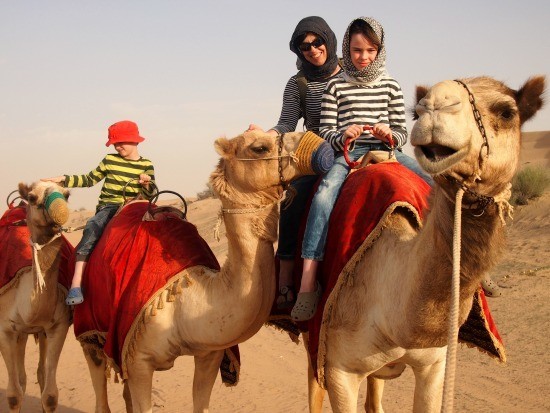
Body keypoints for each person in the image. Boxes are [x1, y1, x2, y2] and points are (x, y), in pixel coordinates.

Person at [291, 16, 429, 321]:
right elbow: (325, 129)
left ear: (379, 51)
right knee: (324, 195)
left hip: (387, 151)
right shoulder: (336, 87)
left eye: (369, 50)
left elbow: (402, 132)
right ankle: (307, 283)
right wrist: (344, 135)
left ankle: (457, 253)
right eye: (356, 50)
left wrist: (388, 135)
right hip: (349, 153)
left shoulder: (391, 85)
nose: (363, 57)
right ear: (346, 49)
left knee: (432, 184)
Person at [248, 16, 342, 310]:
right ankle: (286, 279)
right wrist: (265, 135)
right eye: (305, 46)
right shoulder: (298, 83)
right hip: (315, 151)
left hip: (357, 144)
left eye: (317, 42)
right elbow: (288, 122)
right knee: (293, 198)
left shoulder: (352, 72)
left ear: (328, 39)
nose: (313, 50)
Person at [42, 120, 155, 305]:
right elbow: (89, 179)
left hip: (136, 206)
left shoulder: (147, 165)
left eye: (121, 143)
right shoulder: (109, 160)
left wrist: (147, 184)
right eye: (115, 144)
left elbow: (152, 193)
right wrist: (63, 179)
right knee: (93, 228)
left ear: (135, 141)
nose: (118, 147)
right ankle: (76, 284)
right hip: (110, 207)